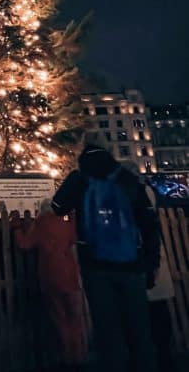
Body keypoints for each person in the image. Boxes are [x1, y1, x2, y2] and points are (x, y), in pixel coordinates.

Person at [52, 144, 160, 372]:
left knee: (107, 330)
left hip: (96, 266)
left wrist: (73, 180)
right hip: (132, 265)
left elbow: (57, 207)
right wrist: (151, 265)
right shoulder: (127, 179)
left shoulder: (80, 180)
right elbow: (149, 225)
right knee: (140, 329)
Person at [11, 199, 87, 370]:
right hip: (70, 275)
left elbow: (24, 244)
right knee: (75, 318)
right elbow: (74, 238)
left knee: (59, 318)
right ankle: (79, 357)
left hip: (50, 277)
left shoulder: (41, 224)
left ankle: (66, 358)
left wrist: (16, 226)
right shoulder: (66, 222)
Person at [122, 162, 175, 371]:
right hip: (151, 263)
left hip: (141, 265)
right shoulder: (148, 194)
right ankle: (163, 356)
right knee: (158, 315)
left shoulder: (132, 196)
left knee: (143, 317)